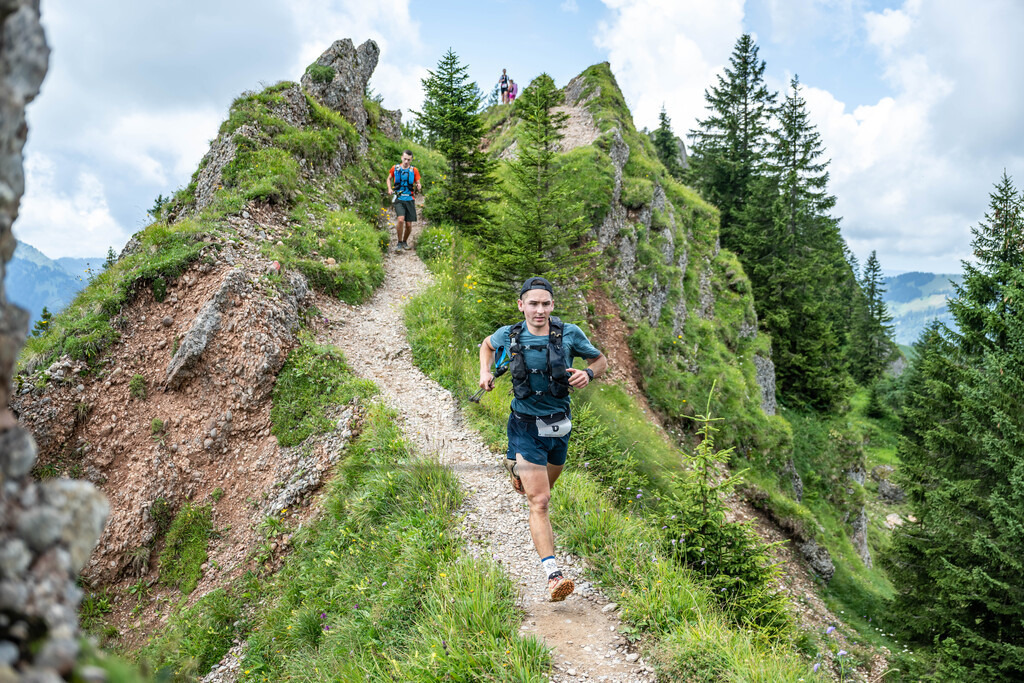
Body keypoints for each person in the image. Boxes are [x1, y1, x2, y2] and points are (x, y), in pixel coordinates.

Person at [478, 277, 607, 602]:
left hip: (559, 425)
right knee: (540, 501)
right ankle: (554, 575)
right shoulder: (508, 334)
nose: (539, 309)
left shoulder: (569, 335)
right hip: (524, 424)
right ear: (521, 305)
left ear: (552, 305)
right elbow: (487, 346)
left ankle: (519, 472)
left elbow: (600, 360)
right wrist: (485, 372)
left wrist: (588, 374)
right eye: (532, 303)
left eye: (545, 303)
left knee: (548, 485)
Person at [387, 149, 421, 251]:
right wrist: (389, 189)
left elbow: (418, 182)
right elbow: (389, 178)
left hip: (410, 198)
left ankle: (405, 241)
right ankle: (399, 242)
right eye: (405, 159)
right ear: (402, 158)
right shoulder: (395, 168)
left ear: (411, 160)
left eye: (408, 160)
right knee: (401, 220)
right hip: (398, 198)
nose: (406, 161)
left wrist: (419, 185)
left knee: (409, 224)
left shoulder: (414, 170)